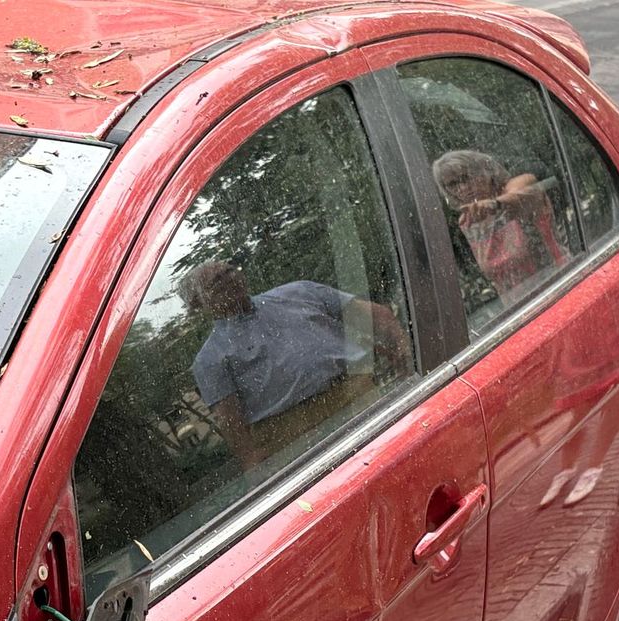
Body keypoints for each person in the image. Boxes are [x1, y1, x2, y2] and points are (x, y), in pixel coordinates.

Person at [178, 260, 411, 470]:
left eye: (230, 270)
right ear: (199, 303)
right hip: (292, 440)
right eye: (216, 282)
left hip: (359, 400)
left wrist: (403, 346)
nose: (229, 279)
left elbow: (375, 316)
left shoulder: (300, 292)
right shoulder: (209, 360)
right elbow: (233, 425)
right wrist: (255, 466)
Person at [432, 149, 568, 295]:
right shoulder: (467, 222)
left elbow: (523, 193)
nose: (462, 188)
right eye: (453, 184)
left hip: (559, 286)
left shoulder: (514, 188)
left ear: (485, 170)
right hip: (520, 304)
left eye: (466, 177)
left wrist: (494, 205)